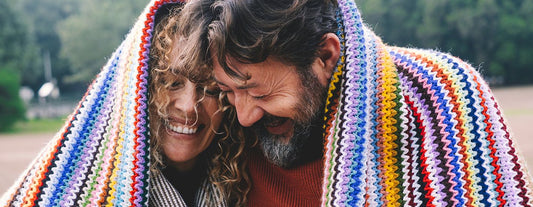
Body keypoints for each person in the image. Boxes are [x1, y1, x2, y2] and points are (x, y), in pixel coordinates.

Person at [179, 0, 533, 206]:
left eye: (261, 94)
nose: (243, 116)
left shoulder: (442, 98)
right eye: (227, 91)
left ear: (325, 55)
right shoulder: (221, 138)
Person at [0, 1, 251, 206]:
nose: (188, 106)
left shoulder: (251, 184)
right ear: (139, 87)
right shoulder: (75, 188)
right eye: (170, 83)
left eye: (209, 89)